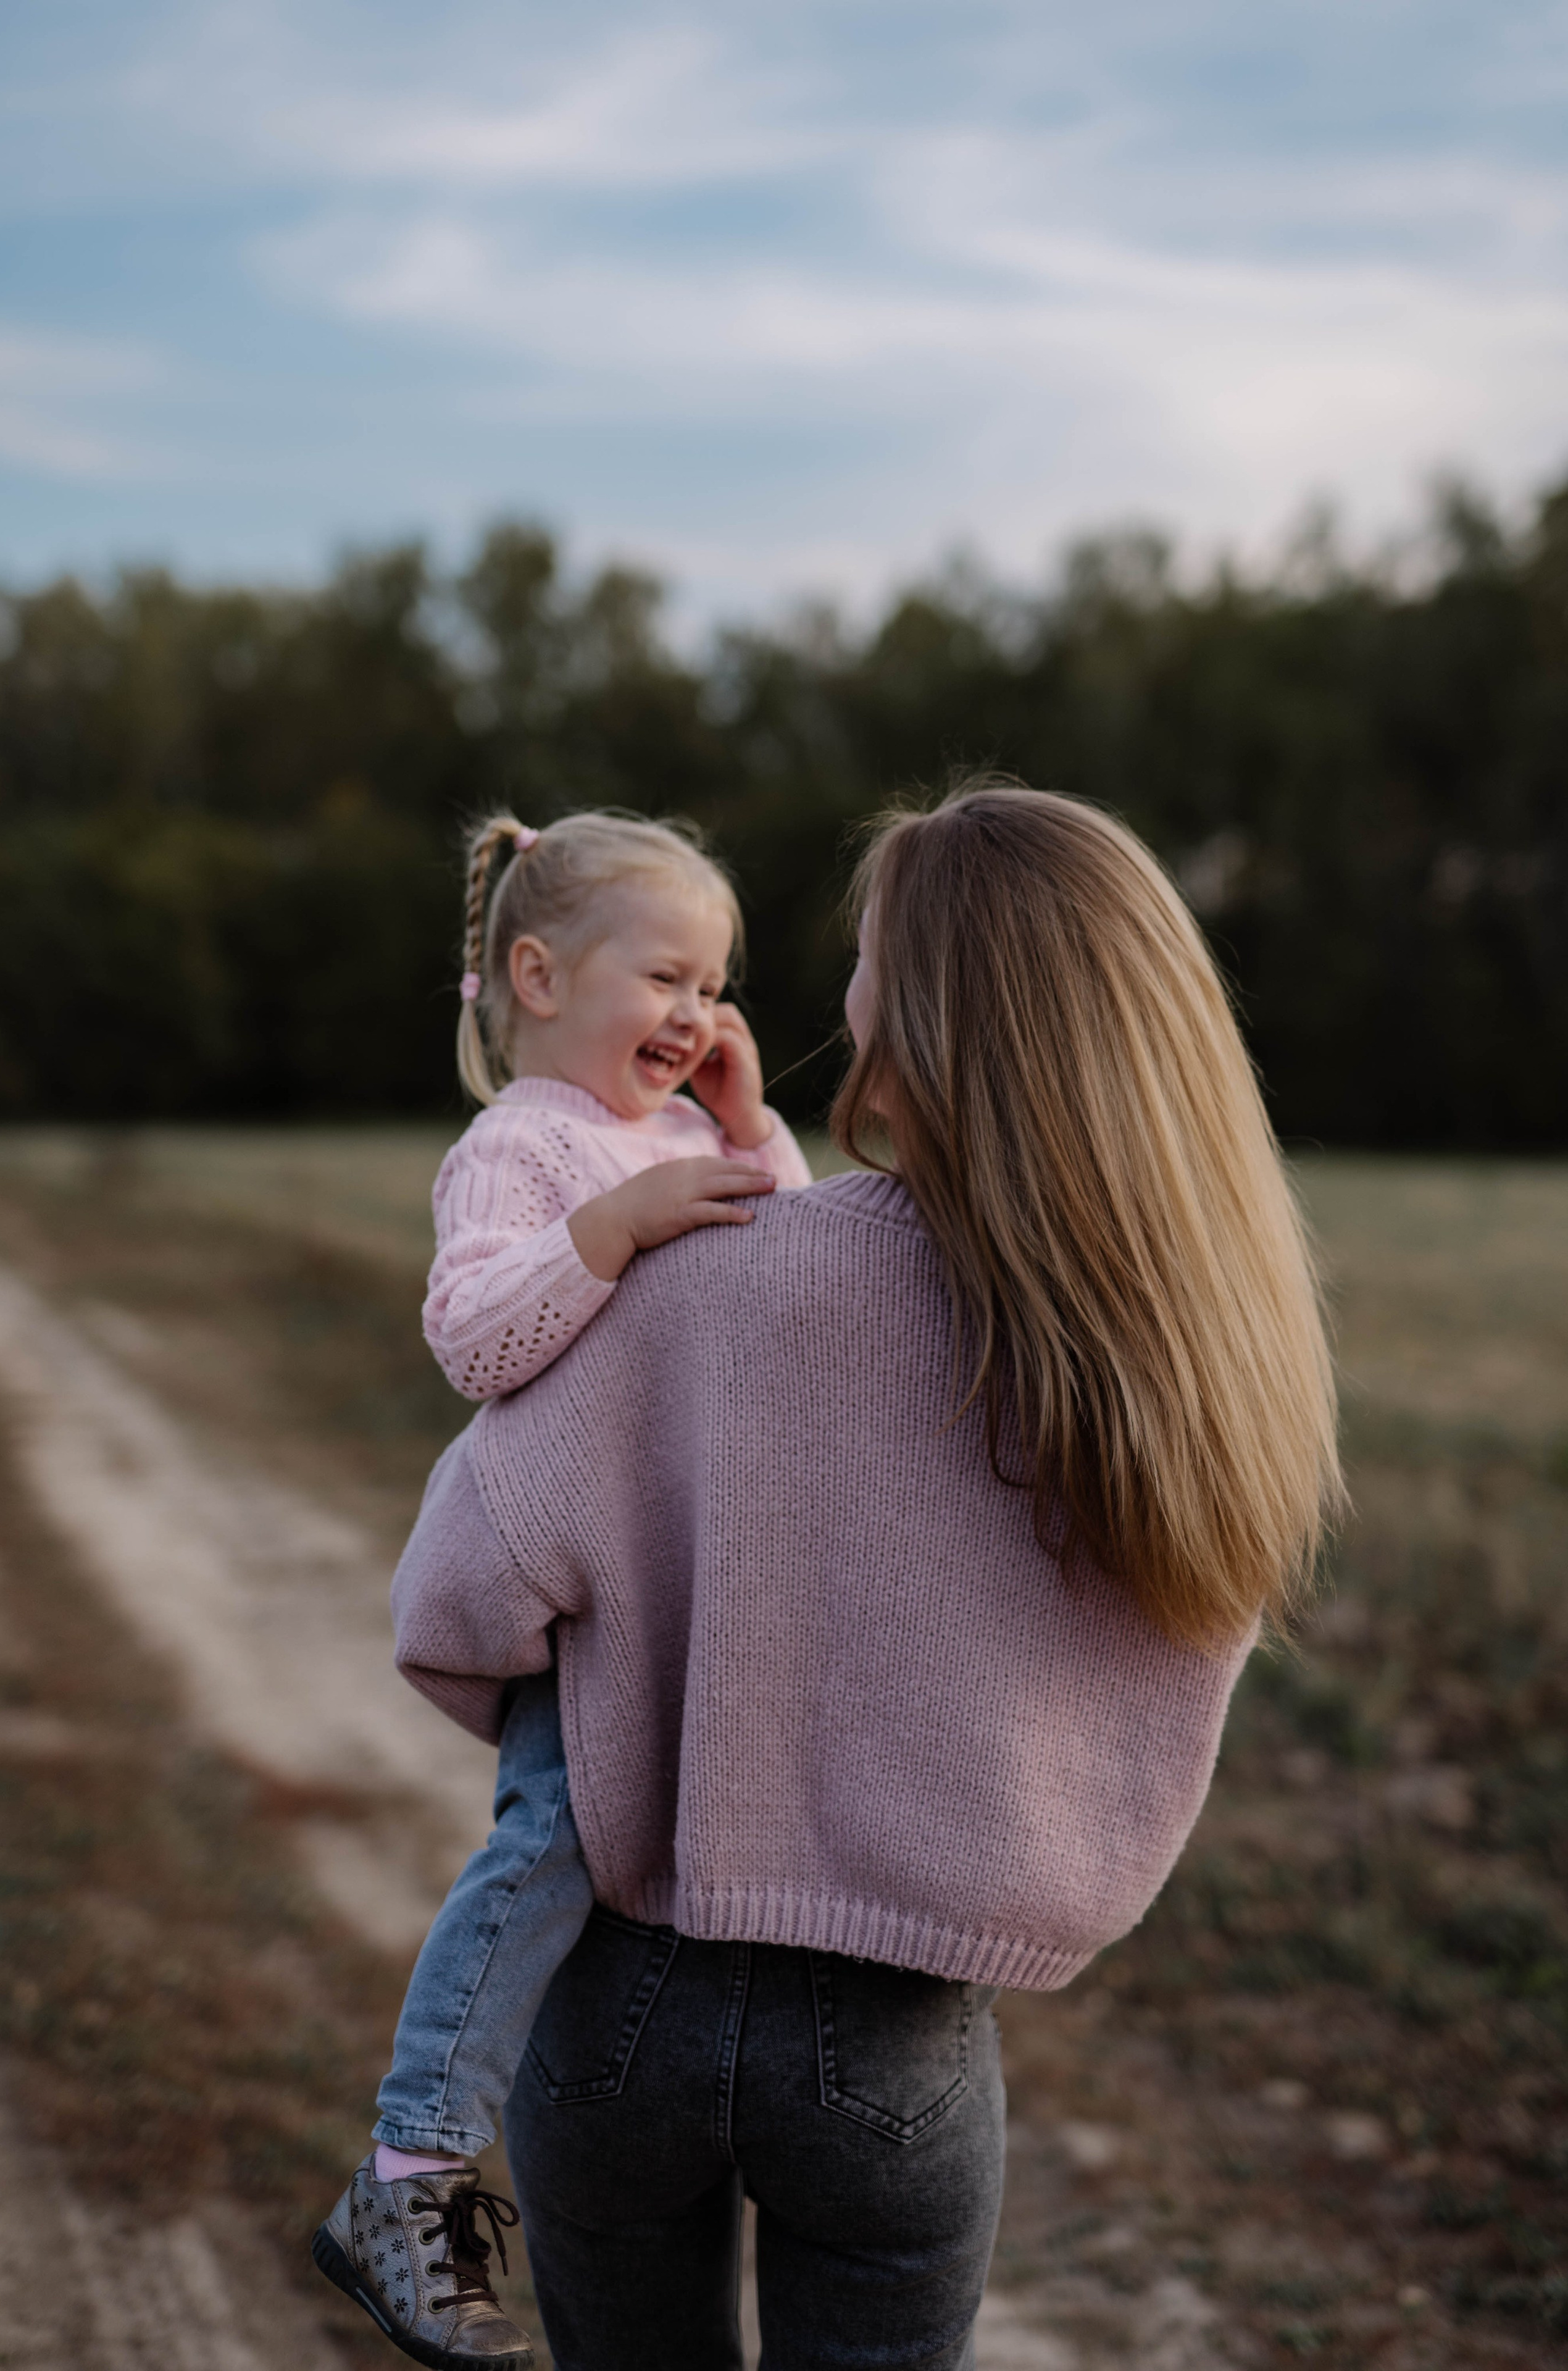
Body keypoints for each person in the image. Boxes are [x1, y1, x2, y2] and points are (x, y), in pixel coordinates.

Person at [377, 780, 1343, 2370]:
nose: (827, 996)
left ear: (918, 1011)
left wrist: (613, 1716)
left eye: (863, 958)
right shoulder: (1183, 1364)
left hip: (621, 2005)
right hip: (902, 2047)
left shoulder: (707, 1280)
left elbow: (461, 1595)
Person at [314, 809, 811, 2369]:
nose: (696, 1012)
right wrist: (606, 1230)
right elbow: (475, 1339)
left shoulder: (679, 1139)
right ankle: (407, 2171)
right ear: (536, 974)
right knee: (556, 1839)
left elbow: (806, 1281)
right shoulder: (525, 1148)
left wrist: (747, 1134)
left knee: (648, 1847)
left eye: (715, 985)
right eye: (665, 974)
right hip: (575, 1585)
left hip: (690, 1581)